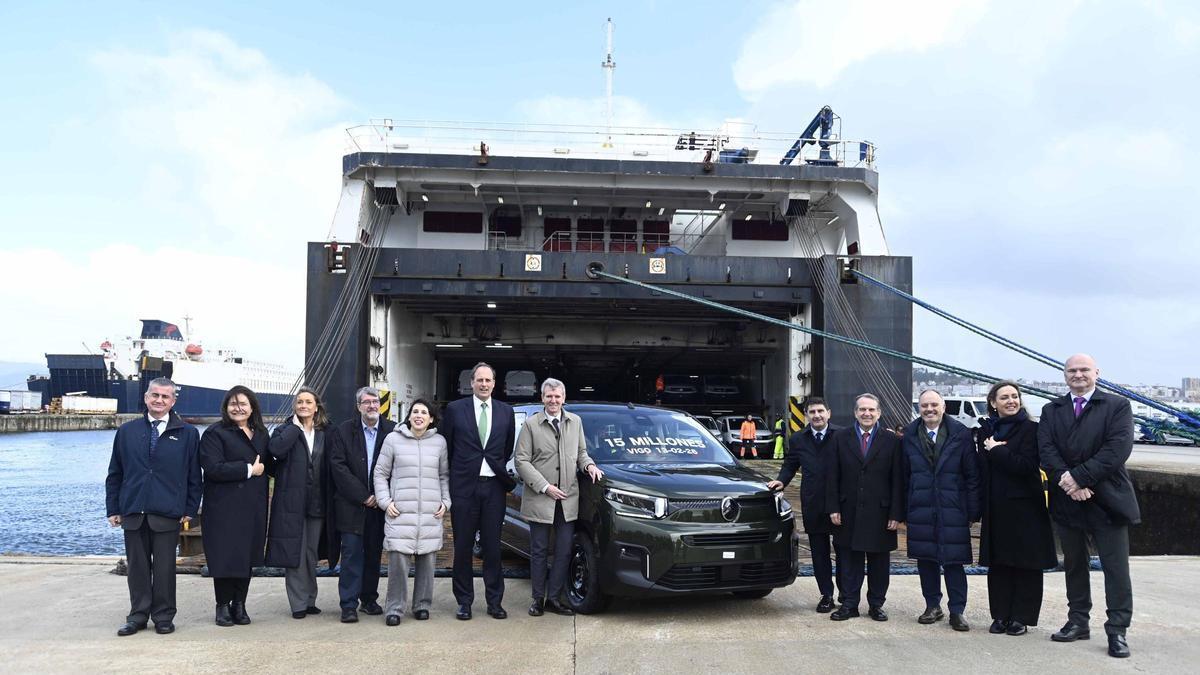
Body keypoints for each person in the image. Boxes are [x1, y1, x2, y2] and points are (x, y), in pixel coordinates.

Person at [1039, 354, 1139, 658]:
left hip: (1107, 500)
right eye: (1072, 370)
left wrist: (1080, 478)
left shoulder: (1117, 407)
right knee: (1074, 565)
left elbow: (1117, 449)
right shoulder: (1051, 409)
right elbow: (1046, 449)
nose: (1078, 375)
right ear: (1064, 375)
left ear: (1097, 372)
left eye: (1084, 370)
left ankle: (1117, 630)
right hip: (1069, 500)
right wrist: (1068, 483)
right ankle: (1078, 621)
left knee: (1115, 568)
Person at [105, 377, 202, 636]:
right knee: (137, 568)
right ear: (146, 397)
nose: (159, 400)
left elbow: (194, 476)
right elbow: (115, 473)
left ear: (173, 401)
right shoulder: (127, 431)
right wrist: (113, 508)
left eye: (165, 397)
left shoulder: (187, 434)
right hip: (133, 510)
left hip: (167, 510)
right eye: (154, 395)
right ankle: (137, 616)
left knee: (164, 569)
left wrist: (190, 509)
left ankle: (163, 616)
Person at [514, 378, 604, 617]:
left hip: (567, 499)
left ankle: (554, 598)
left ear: (564, 398)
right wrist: (544, 487)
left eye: (557, 396)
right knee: (539, 551)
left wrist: (590, 466)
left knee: (564, 551)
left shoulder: (575, 422)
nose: (553, 401)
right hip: (541, 497)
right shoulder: (531, 425)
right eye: (549, 396)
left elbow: (581, 452)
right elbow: (521, 461)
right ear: (542, 398)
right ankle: (537, 599)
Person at [977, 381, 1057, 636]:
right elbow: (981, 470)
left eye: (1015, 396)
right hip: (996, 507)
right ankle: (1000, 615)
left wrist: (998, 452)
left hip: (1026, 508)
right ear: (993, 403)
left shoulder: (1033, 429)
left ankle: (1021, 617)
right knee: (999, 565)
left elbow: (1027, 466)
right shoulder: (985, 431)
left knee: (1026, 564)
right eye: (1004, 397)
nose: (1011, 401)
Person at [900, 389, 981, 632]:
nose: (929, 409)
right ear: (919, 408)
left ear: (943, 407)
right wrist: (903, 510)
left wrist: (972, 511)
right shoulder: (909, 435)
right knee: (926, 560)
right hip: (921, 506)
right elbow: (903, 476)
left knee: (954, 560)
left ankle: (957, 610)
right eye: (925, 405)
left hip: (952, 507)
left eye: (934, 404)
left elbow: (972, 475)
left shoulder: (961, 434)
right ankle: (932, 605)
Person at [441, 362, 517, 620]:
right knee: (462, 547)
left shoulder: (506, 412)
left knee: (493, 548)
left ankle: (495, 602)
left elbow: (505, 449)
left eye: (488, 380)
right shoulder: (454, 409)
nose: (484, 384)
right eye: (479, 380)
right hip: (464, 488)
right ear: (471, 383)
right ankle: (464, 602)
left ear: (495, 384)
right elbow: (447, 447)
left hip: (494, 487)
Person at [826, 393, 904, 622]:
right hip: (847, 511)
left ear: (879, 413)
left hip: (881, 513)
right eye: (862, 410)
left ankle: (876, 605)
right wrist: (833, 507)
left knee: (879, 563)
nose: (867, 414)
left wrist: (896, 513)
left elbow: (898, 479)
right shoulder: (840, 438)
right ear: (855, 413)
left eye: (871, 410)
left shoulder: (892, 441)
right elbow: (832, 476)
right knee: (849, 562)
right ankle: (849, 604)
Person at [198, 385, 271, 627]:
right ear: (226, 407)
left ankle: (240, 603)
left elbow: (271, 463)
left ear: (252, 408)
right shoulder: (214, 433)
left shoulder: (260, 433)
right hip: (224, 507)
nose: (238, 408)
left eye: (243, 404)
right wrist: (250, 469)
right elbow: (213, 467)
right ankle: (222, 605)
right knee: (225, 556)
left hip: (253, 505)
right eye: (233, 404)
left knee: (247, 555)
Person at [373, 399, 450, 626]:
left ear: (431, 418)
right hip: (401, 513)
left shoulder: (439, 442)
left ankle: (422, 605)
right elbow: (380, 473)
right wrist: (385, 502)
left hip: (429, 513)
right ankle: (394, 608)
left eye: (424, 412)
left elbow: (444, 475)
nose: (419, 415)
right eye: (415, 411)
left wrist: (446, 501)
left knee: (427, 563)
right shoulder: (393, 440)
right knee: (398, 563)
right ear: (409, 416)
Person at [328, 387, 396, 623]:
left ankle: (368, 599)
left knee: (373, 554)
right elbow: (338, 467)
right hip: (351, 505)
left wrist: (382, 497)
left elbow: (398, 466)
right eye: (366, 402)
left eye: (375, 401)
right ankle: (348, 604)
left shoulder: (392, 430)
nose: (371, 406)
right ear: (358, 406)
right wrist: (363, 496)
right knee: (351, 554)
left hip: (380, 505)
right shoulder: (343, 431)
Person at [265, 386, 334, 620]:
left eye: (308, 402)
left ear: (316, 407)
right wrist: (295, 428)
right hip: (291, 503)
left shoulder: (326, 432)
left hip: (317, 502)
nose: (303, 405)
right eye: (299, 402)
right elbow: (276, 450)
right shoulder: (285, 430)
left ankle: (310, 599)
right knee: (293, 553)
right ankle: (298, 603)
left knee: (311, 553)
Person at [768, 397, 842, 612]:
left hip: (840, 503)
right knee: (819, 552)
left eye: (820, 411)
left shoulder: (842, 436)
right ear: (807, 415)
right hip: (813, 503)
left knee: (844, 551)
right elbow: (790, 464)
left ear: (829, 413)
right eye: (812, 412)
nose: (817, 415)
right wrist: (782, 480)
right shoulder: (799, 439)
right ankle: (826, 594)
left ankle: (847, 594)